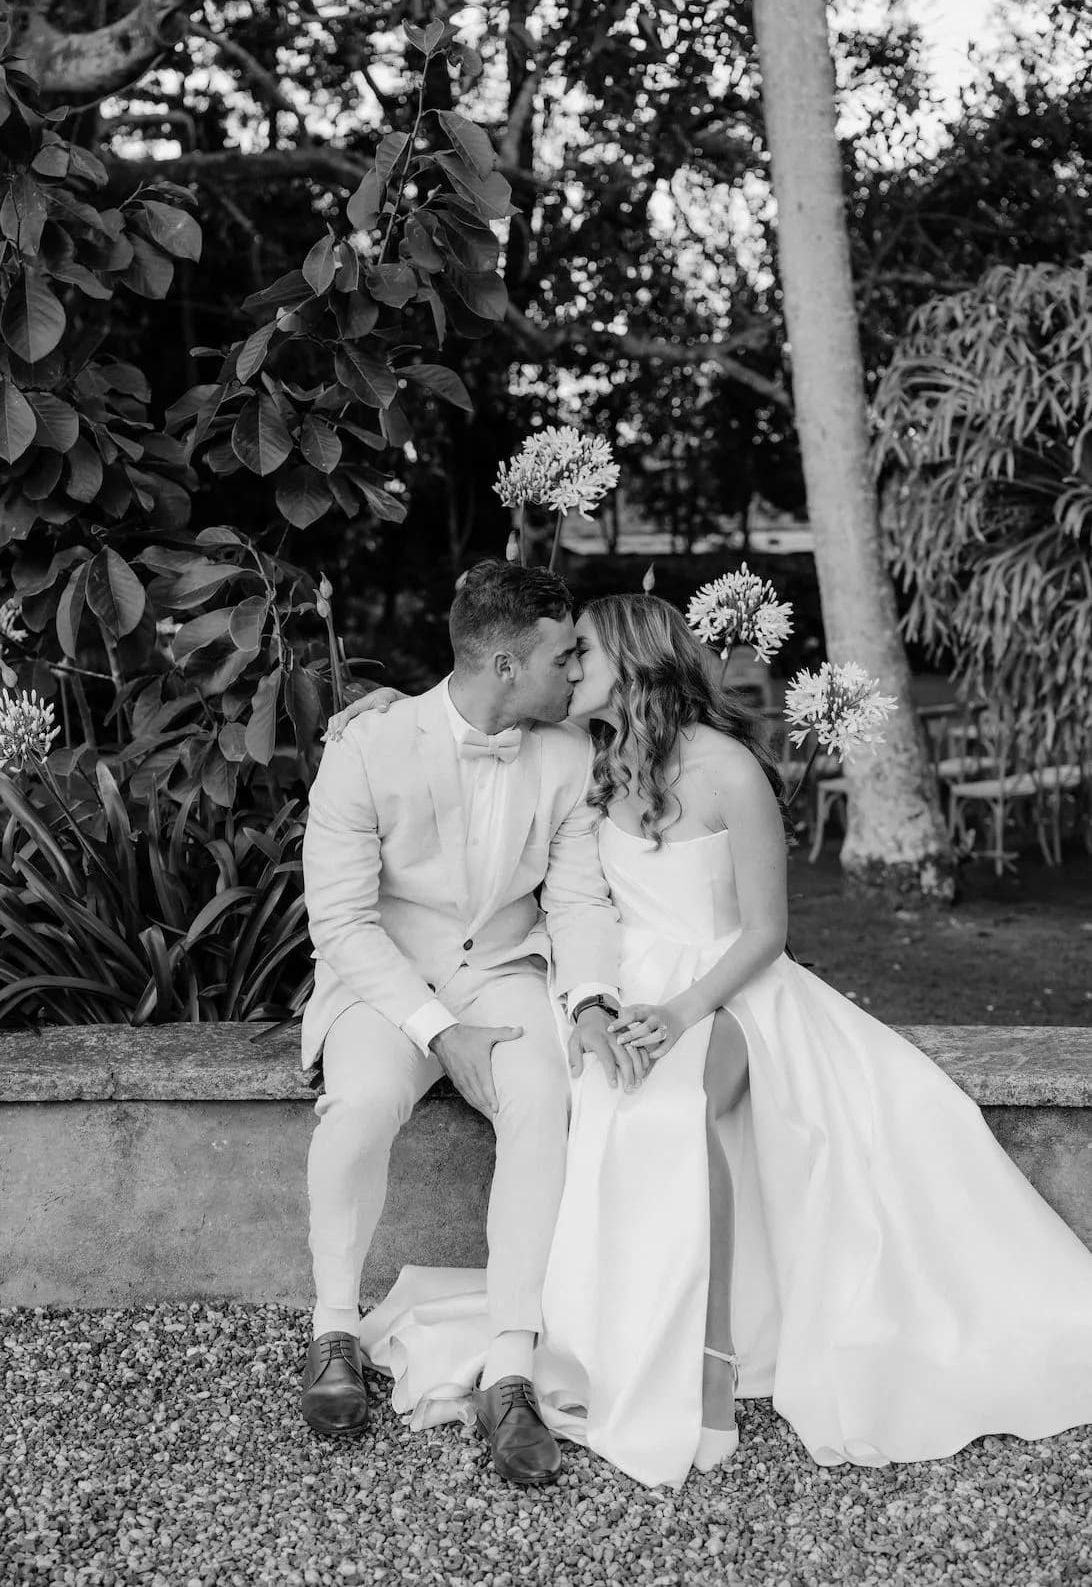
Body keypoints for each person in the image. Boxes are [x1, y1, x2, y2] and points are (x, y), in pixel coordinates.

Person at [331, 592, 1092, 1489]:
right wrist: (377, 706)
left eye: (583, 655)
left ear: (636, 663)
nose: (568, 671)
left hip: (731, 992)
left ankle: (708, 1369)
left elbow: (766, 933)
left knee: (674, 1107)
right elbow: (476, 699)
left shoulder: (730, 769)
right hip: (618, 987)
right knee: (597, 1095)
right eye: (563, 657)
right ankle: (586, 1332)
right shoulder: (589, 758)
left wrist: (685, 1012)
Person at [299, 561, 624, 1488]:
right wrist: (441, 1032)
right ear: (505, 663)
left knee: (543, 1096)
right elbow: (345, 924)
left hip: (504, 973)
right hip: (384, 984)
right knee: (359, 1103)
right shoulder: (367, 745)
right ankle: (331, 1330)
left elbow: (579, 899)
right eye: (565, 655)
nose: (577, 671)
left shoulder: (567, 756)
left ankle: (512, 1368)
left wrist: (592, 998)